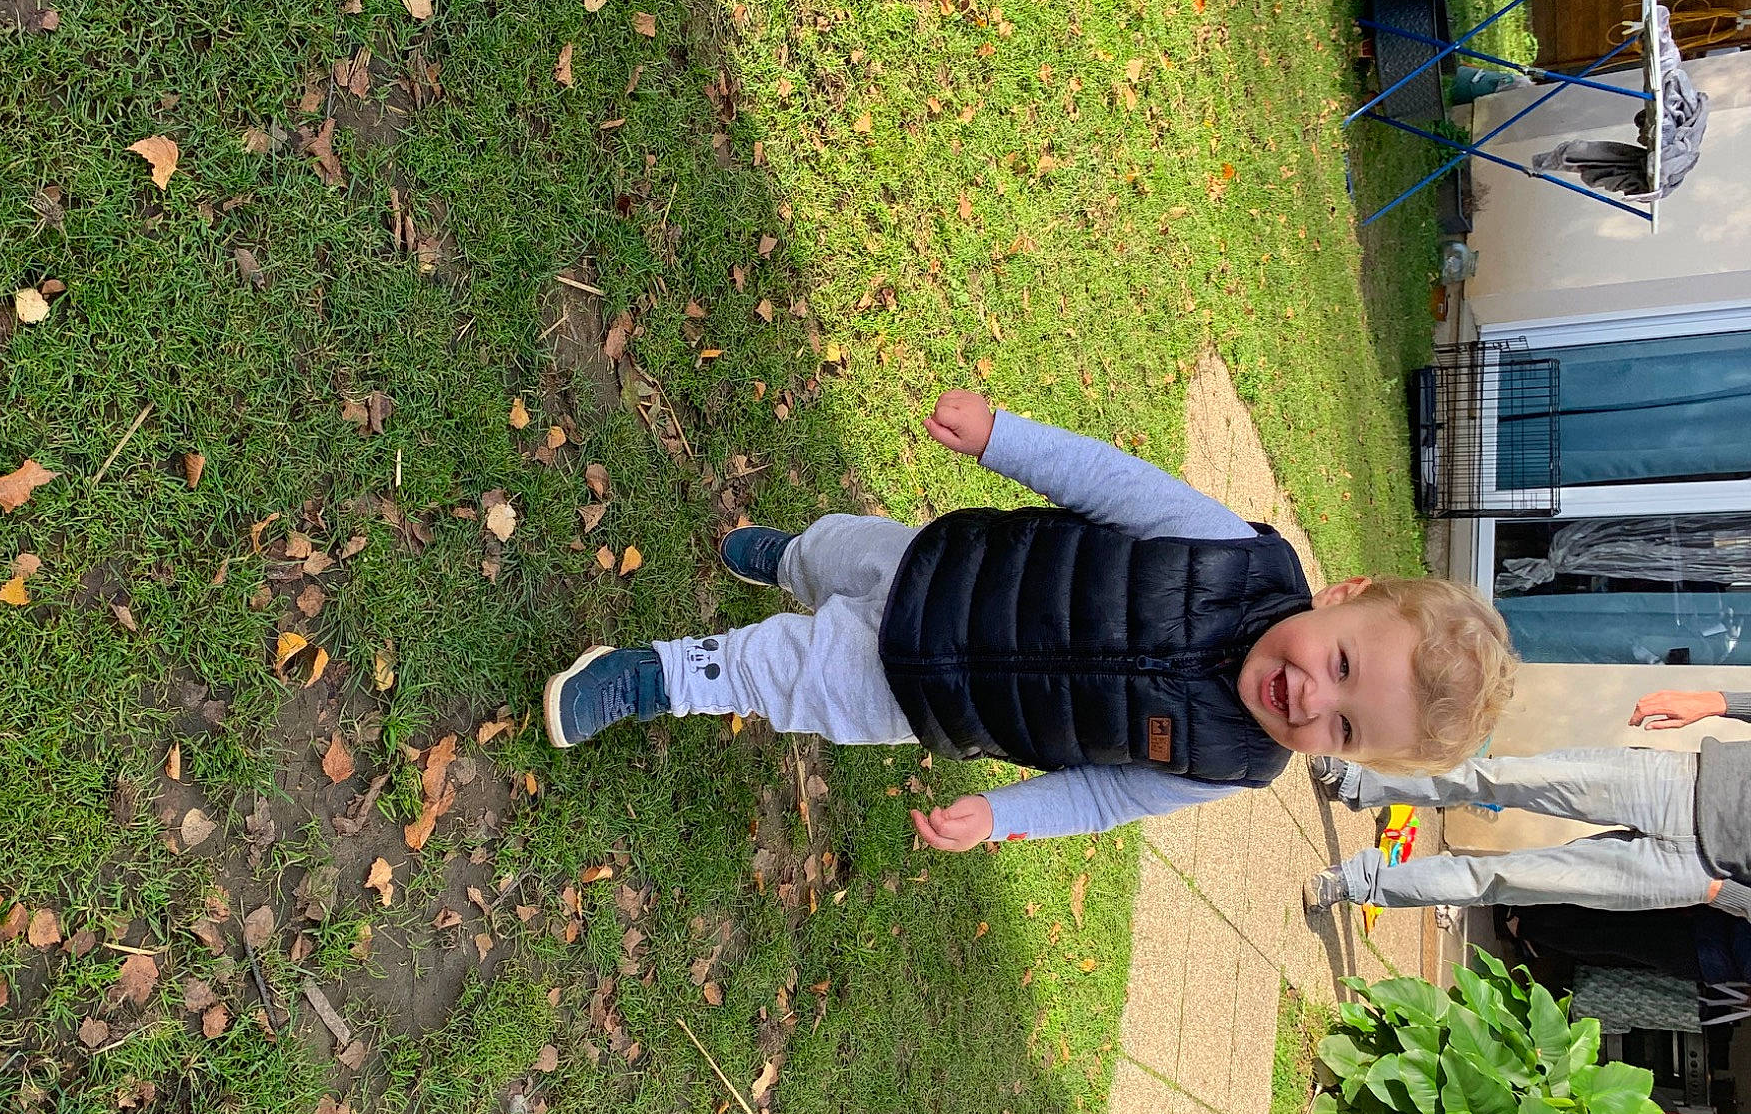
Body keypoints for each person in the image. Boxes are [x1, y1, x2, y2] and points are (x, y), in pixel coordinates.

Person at [542, 390, 1517, 847]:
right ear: (1340, 596)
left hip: (926, 696)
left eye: (1341, 729)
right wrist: (1001, 439)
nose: (1309, 702)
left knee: (790, 676)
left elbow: (1103, 798)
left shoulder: (1230, 761)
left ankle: (650, 677)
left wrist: (1002, 817)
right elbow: (1110, 482)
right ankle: (792, 560)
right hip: (943, 566)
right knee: (835, 557)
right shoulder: (1230, 554)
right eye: (1340, 667)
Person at [1303, 690, 1751, 920]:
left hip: (1696, 873)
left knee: (1505, 880)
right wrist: (1717, 702)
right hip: (1684, 782)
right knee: (1499, 778)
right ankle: (1361, 782)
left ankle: (1362, 885)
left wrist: (1727, 896)